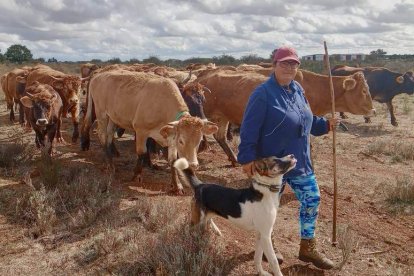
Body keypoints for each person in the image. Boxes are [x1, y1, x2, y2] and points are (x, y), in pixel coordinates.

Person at [237, 46, 338, 270]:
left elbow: (304, 118)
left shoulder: (298, 89)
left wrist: (325, 125)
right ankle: (266, 243)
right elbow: (249, 128)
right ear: (274, 65)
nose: (289, 68)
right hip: (272, 165)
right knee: (268, 207)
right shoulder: (262, 94)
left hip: (299, 160)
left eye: (293, 64)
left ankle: (307, 247)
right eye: (284, 63)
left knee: (312, 198)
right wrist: (246, 158)